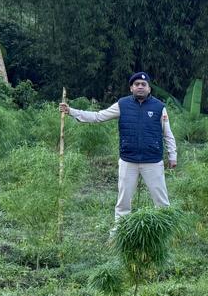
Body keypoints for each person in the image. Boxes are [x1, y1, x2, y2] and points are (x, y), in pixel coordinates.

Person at [59, 71, 177, 225]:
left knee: (162, 202)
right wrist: (71, 111)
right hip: (128, 161)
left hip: (153, 161)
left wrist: (172, 155)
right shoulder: (122, 104)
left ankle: (164, 233)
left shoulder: (159, 107)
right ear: (131, 88)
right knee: (123, 203)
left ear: (149, 89)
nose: (140, 87)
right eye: (136, 84)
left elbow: (168, 134)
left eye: (143, 84)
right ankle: (119, 235)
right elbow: (98, 116)